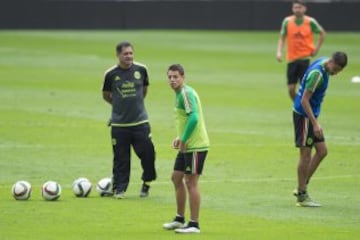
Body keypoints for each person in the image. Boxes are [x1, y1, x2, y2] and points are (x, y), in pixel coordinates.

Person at [102, 41, 156, 199]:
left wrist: (136, 106)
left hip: (141, 123)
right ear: (118, 55)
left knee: (148, 154)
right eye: (125, 54)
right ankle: (119, 190)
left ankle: (147, 182)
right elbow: (106, 95)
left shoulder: (141, 69)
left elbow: (143, 91)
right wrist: (118, 107)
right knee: (121, 158)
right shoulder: (111, 74)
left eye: (131, 53)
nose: (129, 56)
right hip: (119, 125)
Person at [292, 51, 348, 207]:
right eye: (335, 70)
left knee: (322, 151)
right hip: (304, 117)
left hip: (310, 116)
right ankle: (302, 196)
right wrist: (315, 123)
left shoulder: (324, 62)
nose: (335, 73)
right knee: (305, 155)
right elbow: (304, 100)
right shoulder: (318, 74)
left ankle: (302, 184)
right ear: (331, 62)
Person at [163, 64, 210, 234]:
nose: (172, 80)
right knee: (176, 178)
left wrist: (183, 138)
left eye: (175, 77)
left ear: (183, 77)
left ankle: (194, 224)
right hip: (187, 145)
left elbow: (194, 118)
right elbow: (186, 119)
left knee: (191, 182)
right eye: (169, 77)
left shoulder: (185, 93)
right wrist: (180, 137)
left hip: (195, 145)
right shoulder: (179, 94)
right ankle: (179, 219)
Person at [276, 0, 326, 101]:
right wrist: (279, 52)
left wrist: (316, 49)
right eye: (295, 7)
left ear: (304, 9)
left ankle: (303, 106)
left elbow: (322, 33)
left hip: (304, 58)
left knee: (305, 88)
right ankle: (298, 105)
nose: (297, 10)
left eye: (299, 7)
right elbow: (282, 38)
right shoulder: (287, 21)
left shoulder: (310, 22)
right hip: (291, 59)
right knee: (291, 89)